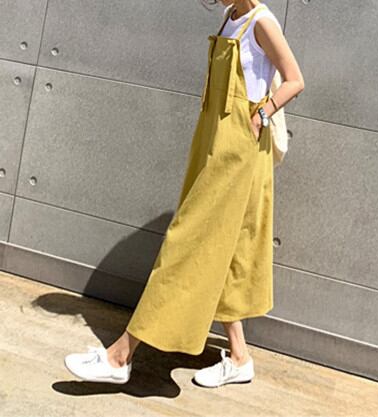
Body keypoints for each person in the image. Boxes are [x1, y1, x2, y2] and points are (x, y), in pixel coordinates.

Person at [64, 0, 304, 388]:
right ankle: (240, 358)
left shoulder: (262, 22)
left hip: (237, 151)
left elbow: (295, 79)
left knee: (187, 243)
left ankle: (120, 356)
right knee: (227, 250)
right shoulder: (231, 17)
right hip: (211, 141)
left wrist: (262, 114)